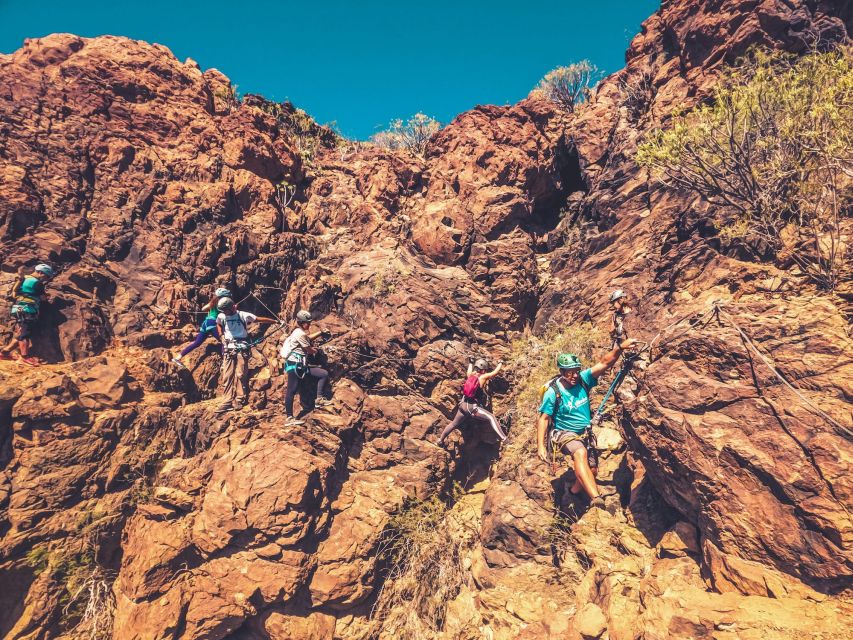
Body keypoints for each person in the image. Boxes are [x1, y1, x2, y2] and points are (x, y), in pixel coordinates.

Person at [536, 340, 636, 510]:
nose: (574, 376)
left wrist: (619, 348)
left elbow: (604, 362)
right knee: (580, 452)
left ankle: (572, 493)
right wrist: (541, 447)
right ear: (561, 372)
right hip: (563, 433)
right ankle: (596, 498)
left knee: (593, 471)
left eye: (576, 371)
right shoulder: (554, 392)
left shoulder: (583, 379)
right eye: (570, 373)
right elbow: (543, 419)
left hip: (585, 433)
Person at [214, 297, 277, 414]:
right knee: (227, 375)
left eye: (225, 310)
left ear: (231, 308)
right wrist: (221, 335)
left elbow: (258, 319)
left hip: (241, 347)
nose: (224, 313)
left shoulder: (242, 315)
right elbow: (218, 323)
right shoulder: (222, 316)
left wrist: (275, 321)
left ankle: (239, 399)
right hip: (229, 348)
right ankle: (227, 401)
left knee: (241, 374)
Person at [438, 358, 507, 445]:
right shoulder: (482, 377)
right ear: (483, 370)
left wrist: (471, 362)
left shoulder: (470, 375)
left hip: (462, 406)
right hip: (471, 407)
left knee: (453, 424)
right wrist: (500, 363)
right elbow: (494, 373)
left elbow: (470, 367)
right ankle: (504, 439)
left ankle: (440, 440)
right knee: (491, 417)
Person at [280, 310, 331, 426]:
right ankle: (289, 418)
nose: (309, 324)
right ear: (302, 323)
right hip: (295, 366)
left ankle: (319, 399)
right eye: (308, 322)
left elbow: (308, 339)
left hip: (301, 366)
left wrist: (320, 332)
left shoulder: (299, 333)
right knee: (291, 390)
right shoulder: (299, 333)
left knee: (323, 374)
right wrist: (317, 350)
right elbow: (309, 349)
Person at [0, 264, 55, 365]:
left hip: (18, 308)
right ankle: (25, 356)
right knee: (25, 333)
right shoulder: (37, 283)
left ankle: (5, 352)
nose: (45, 279)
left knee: (22, 332)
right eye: (46, 276)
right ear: (40, 272)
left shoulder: (24, 279)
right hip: (27, 309)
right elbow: (43, 299)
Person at [172, 287, 232, 369]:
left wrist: (211, 310)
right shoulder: (223, 303)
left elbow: (203, 309)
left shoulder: (213, 302)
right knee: (224, 341)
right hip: (213, 323)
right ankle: (224, 364)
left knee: (197, 343)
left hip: (206, 323)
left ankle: (177, 358)